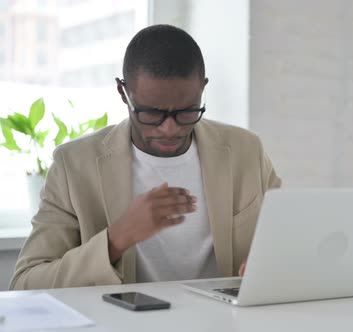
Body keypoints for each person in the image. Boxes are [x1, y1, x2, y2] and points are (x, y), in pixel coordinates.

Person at [9, 24, 281, 290]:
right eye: (151, 113)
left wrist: (270, 265)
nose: (170, 128)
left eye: (187, 111)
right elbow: (26, 283)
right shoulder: (74, 165)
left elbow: (291, 239)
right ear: (123, 93)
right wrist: (117, 238)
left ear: (202, 88)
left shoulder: (247, 151)